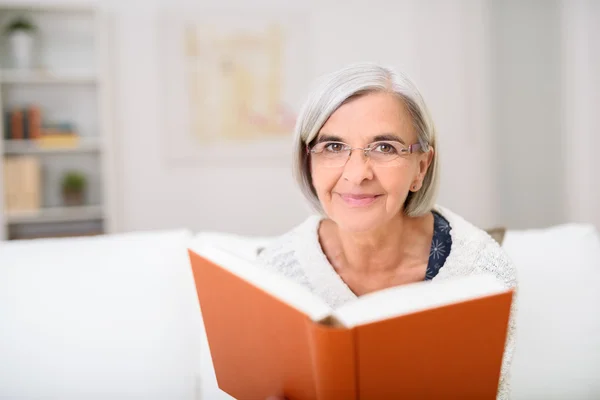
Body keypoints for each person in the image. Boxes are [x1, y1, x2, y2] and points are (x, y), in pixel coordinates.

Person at [257, 62, 517, 400]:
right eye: (333, 147)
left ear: (420, 168)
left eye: (384, 148)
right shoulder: (277, 273)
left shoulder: (482, 272)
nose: (357, 174)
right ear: (308, 161)